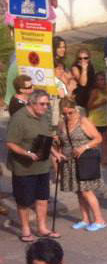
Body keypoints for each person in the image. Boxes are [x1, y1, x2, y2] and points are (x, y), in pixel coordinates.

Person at [5, 91, 62, 242]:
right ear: (32, 103)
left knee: (42, 198)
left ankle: (42, 228)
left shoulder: (44, 116)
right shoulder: (19, 118)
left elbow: (46, 139)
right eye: (42, 104)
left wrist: (55, 153)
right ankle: (25, 229)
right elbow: (10, 143)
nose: (45, 107)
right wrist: (27, 153)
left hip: (42, 166)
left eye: (47, 104)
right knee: (24, 200)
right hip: (24, 167)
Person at [57, 97, 107, 232]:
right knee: (79, 192)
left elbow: (98, 138)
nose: (68, 116)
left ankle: (99, 220)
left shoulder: (83, 121)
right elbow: (61, 141)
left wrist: (84, 147)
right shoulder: (62, 123)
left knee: (86, 191)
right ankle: (85, 219)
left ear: (75, 109)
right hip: (69, 161)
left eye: (70, 113)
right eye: (65, 113)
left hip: (84, 160)